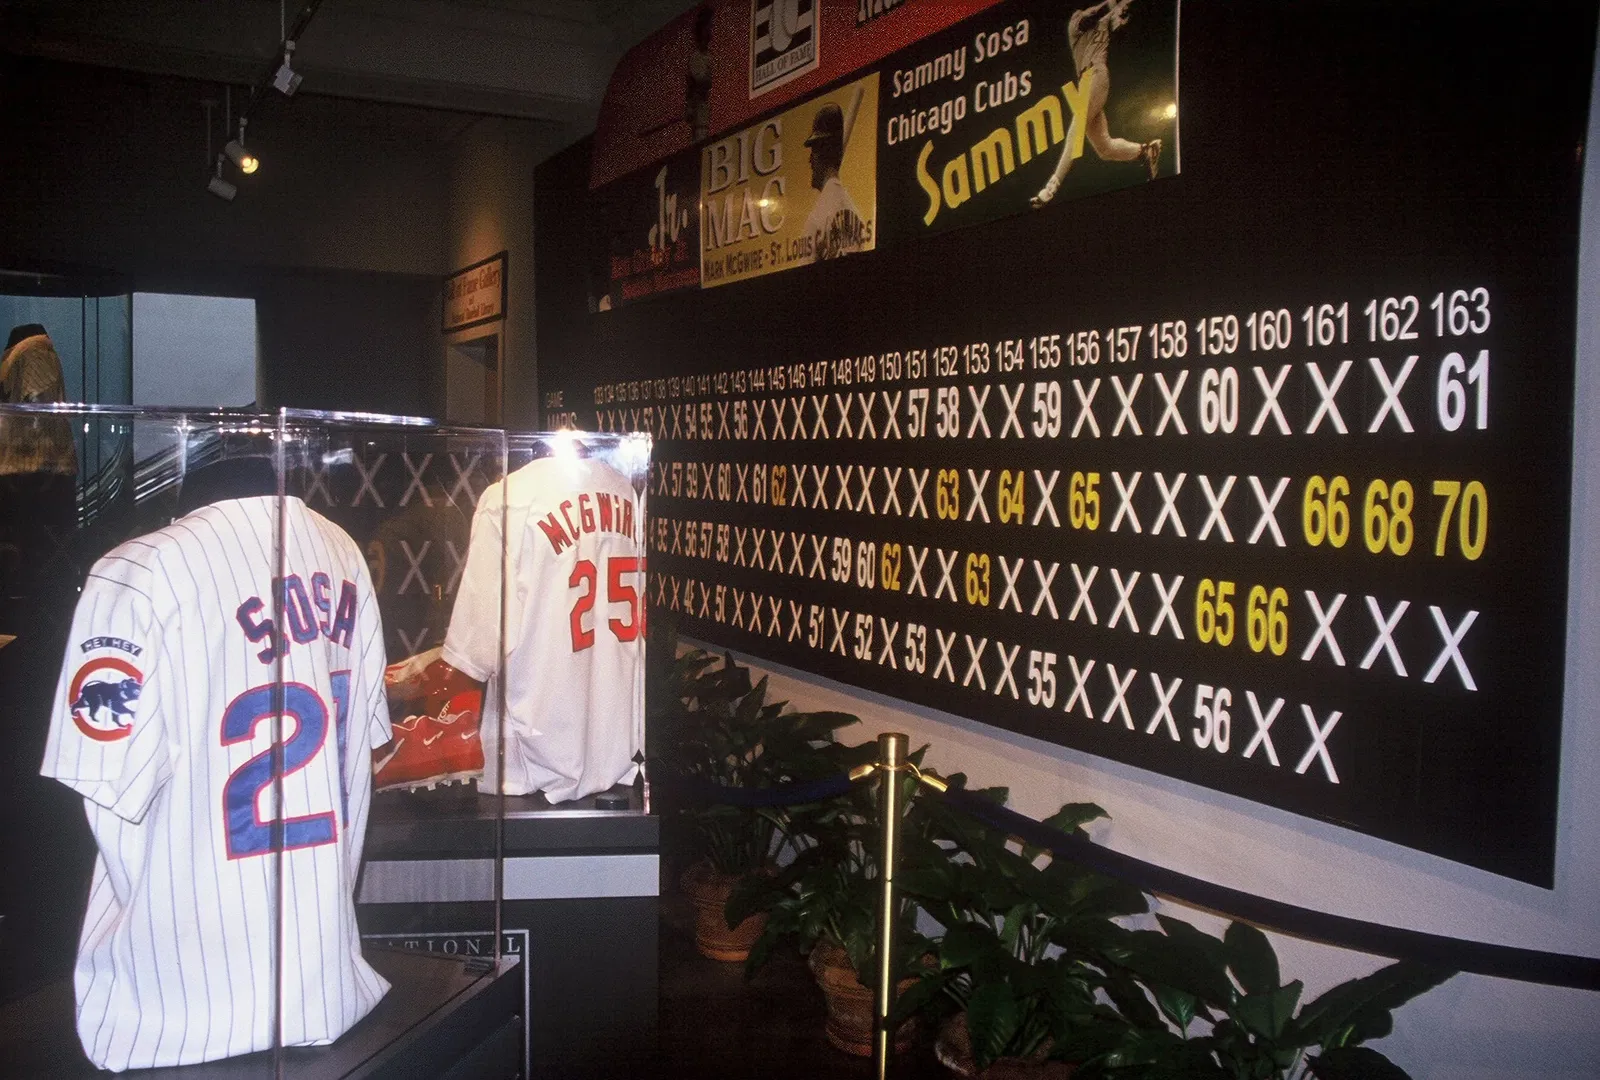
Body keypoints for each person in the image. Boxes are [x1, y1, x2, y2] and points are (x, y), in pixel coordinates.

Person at [1031, 0, 1162, 208]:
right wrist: (1111, 6)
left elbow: (1120, 21)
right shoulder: (1076, 20)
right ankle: (1146, 151)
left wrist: (1123, 13)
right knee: (1104, 148)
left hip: (1096, 74)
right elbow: (1091, 18)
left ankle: (1051, 187)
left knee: (1075, 130)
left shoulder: (1106, 18)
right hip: (1085, 83)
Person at [799, 102, 870, 262]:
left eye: (813, 151)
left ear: (820, 153)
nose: (810, 160)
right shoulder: (852, 211)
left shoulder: (820, 214)